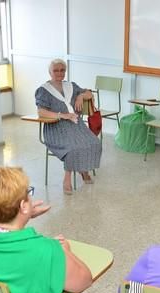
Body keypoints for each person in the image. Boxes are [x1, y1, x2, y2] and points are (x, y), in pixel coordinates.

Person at [35, 58, 102, 195]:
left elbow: (89, 93)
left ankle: (83, 170)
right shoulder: (43, 90)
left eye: (62, 70)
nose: (59, 73)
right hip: (56, 127)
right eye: (56, 70)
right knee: (72, 147)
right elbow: (41, 111)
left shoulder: (71, 86)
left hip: (76, 125)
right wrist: (62, 115)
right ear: (50, 72)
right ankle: (67, 178)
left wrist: (81, 96)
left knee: (94, 142)